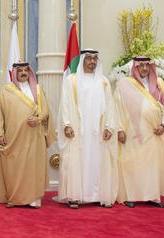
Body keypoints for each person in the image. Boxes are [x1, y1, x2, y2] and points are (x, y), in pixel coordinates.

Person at [57, 49, 118, 208]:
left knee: (97, 160)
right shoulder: (72, 80)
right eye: (89, 58)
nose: (92, 61)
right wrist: (67, 124)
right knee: (76, 160)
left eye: (95, 59)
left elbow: (110, 106)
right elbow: (64, 103)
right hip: (78, 129)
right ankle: (75, 196)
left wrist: (109, 127)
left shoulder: (103, 81)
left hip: (97, 131)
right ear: (82, 60)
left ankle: (97, 195)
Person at [0, 62, 56, 208]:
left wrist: (38, 118)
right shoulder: (6, 91)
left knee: (33, 168)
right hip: (13, 137)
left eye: (25, 71)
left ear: (29, 73)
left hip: (34, 136)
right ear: (14, 73)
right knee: (14, 167)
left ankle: (34, 198)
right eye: (20, 70)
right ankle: (14, 198)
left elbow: (45, 111)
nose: (23, 73)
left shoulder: (38, 90)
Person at [115, 56, 164, 208]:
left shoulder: (159, 84)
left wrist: (163, 125)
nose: (145, 69)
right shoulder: (125, 84)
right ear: (136, 67)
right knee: (133, 163)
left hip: (154, 131)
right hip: (133, 130)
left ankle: (153, 197)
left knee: (153, 164)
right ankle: (131, 195)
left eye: (147, 65)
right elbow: (118, 107)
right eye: (141, 66)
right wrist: (120, 129)